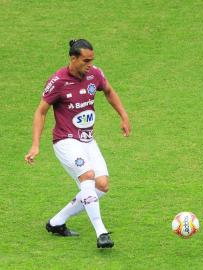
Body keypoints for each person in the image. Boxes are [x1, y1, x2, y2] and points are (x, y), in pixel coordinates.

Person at [25, 39, 131, 248]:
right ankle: (101, 233)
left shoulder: (95, 74)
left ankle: (56, 222)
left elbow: (108, 91)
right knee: (88, 177)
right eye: (85, 60)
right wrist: (35, 145)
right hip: (65, 141)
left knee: (101, 186)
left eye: (92, 60)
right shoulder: (58, 82)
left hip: (88, 140)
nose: (90, 64)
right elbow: (41, 112)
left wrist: (124, 116)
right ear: (73, 59)